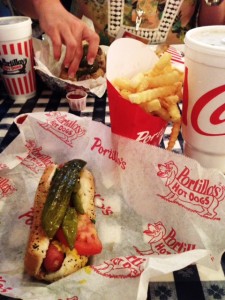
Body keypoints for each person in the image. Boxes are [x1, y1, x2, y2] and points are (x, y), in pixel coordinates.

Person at [9, 0, 225, 78]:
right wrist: (45, 4)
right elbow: (20, 4)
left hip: (175, 87)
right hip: (80, 84)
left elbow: (212, 29)